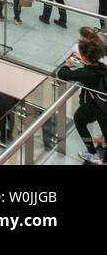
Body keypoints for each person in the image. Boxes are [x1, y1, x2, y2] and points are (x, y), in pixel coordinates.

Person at [54, 36, 107, 164]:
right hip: (104, 105)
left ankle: (93, 153)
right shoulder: (102, 65)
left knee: (79, 121)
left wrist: (67, 65)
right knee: (104, 126)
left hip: (93, 106)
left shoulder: (87, 73)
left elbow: (63, 74)